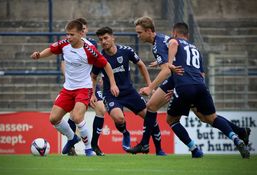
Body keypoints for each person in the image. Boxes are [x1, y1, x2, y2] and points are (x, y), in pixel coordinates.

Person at [127, 16, 251, 157]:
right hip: (197, 83)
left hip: (182, 82)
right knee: (208, 117)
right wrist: (163, 63)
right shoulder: (189, 46)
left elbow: (167, 69)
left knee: (165, 115)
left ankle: (151, 145)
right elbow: (197, 71)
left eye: (139, 32)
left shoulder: (160, 44)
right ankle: (239, 133)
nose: (138, 36)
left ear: (149, 31)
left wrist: (150, 87)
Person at [30, 20, 119, 156]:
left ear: (80, 34)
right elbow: (52, 49)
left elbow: (106, 65)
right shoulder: (64, 44)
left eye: (72, 35)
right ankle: (72, 138)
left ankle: (88, 149)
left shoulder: (89, 50)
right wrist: (40, 55)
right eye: (67, 34)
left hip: (84, 88)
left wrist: (113, 83)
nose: (68, 37)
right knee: (54, 119)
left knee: (77, 117)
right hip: (68, 88)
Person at [165, 22, 250, 158]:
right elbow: (202, 74)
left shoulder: (174, 40)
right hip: (200, 86)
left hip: (184, 87)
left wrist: (169, 64)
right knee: (211, 118)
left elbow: (173, 43)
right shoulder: (196, 50)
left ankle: (195, 150)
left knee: (171, 120)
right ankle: (236, 137)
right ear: (188, 34)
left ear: (175, 32)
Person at [91, 26, 167, 155]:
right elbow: (93, 77)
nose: (103, 41)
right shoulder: (99, 58)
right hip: (111, 95)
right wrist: (92, 94)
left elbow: (141, 65)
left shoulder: (126, 51)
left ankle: (159, 149)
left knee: (150, 118)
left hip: (129, 92)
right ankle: (125, 132)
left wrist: (150, 86)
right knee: (119, 118)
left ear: (113, 37)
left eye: (106, 38)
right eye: (100, 40)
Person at [60, 17, 106, 156]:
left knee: (101, 109)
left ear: (85, 30)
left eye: (85, 28)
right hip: (75, 84)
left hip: (89, 83)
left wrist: (99, 78)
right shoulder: (69, 45)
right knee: (75, 115)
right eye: (82, 28)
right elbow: (64, 63)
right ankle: (72, 144)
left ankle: (94, 145)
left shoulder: (91, 44)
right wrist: (68, 77)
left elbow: (98, 63)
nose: (84, 31)